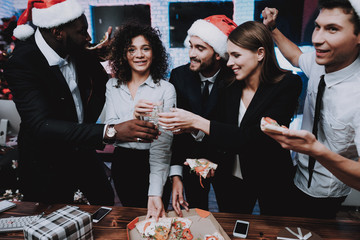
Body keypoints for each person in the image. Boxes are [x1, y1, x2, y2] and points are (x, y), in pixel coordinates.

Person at [4, 0, 158, 205]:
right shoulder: (22, 63)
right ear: (58, 32)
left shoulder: (75, 48)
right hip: (45, 159)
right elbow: (41, 125)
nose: (88, 37)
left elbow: (105, 83)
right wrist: (110, 131)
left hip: (82, 150)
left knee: (104, 201)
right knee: (54, 217)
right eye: (82, 31)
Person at [160, 21, 302, 216]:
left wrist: (196, 122)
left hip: (271, 177)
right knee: (234, 225)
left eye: (236, 55)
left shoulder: (288, 84)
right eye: (229, 55)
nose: (229, 63)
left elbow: (255, 137)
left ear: (260, 53)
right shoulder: (230, 84)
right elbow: (224, 130)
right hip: (231, 178)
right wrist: (210, 160)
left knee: (274, 227)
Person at [261, 0, 360, 218]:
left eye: (332, 29)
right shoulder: (320, 62)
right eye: (317, 26)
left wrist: (316, 150)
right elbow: (296, 57)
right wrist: (272, 29)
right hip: (297, 172)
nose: (316, 39)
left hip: (326, 193)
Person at [163, 15, 237, 215]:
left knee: (231, 214)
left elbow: (234, 128)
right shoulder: (179, 76)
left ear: (219, 54)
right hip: (189, 165)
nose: (191, 54)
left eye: (200, 48)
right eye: (191, 46)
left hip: (226, 167)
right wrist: (176, 174)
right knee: (197, 215)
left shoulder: (235, 80)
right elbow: (175, 132)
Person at [105, 23, 176, 220]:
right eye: (131, 49)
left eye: (145, 48)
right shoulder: (112, 85)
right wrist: (133, 116)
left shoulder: (166, 89)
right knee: (132, 219)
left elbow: (163, 144)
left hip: (155, 164)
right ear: (123, 54)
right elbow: (110, 132)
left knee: (155, 219)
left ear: (154, 52)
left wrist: (155, 190)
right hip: (123, 164)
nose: (139, 55)